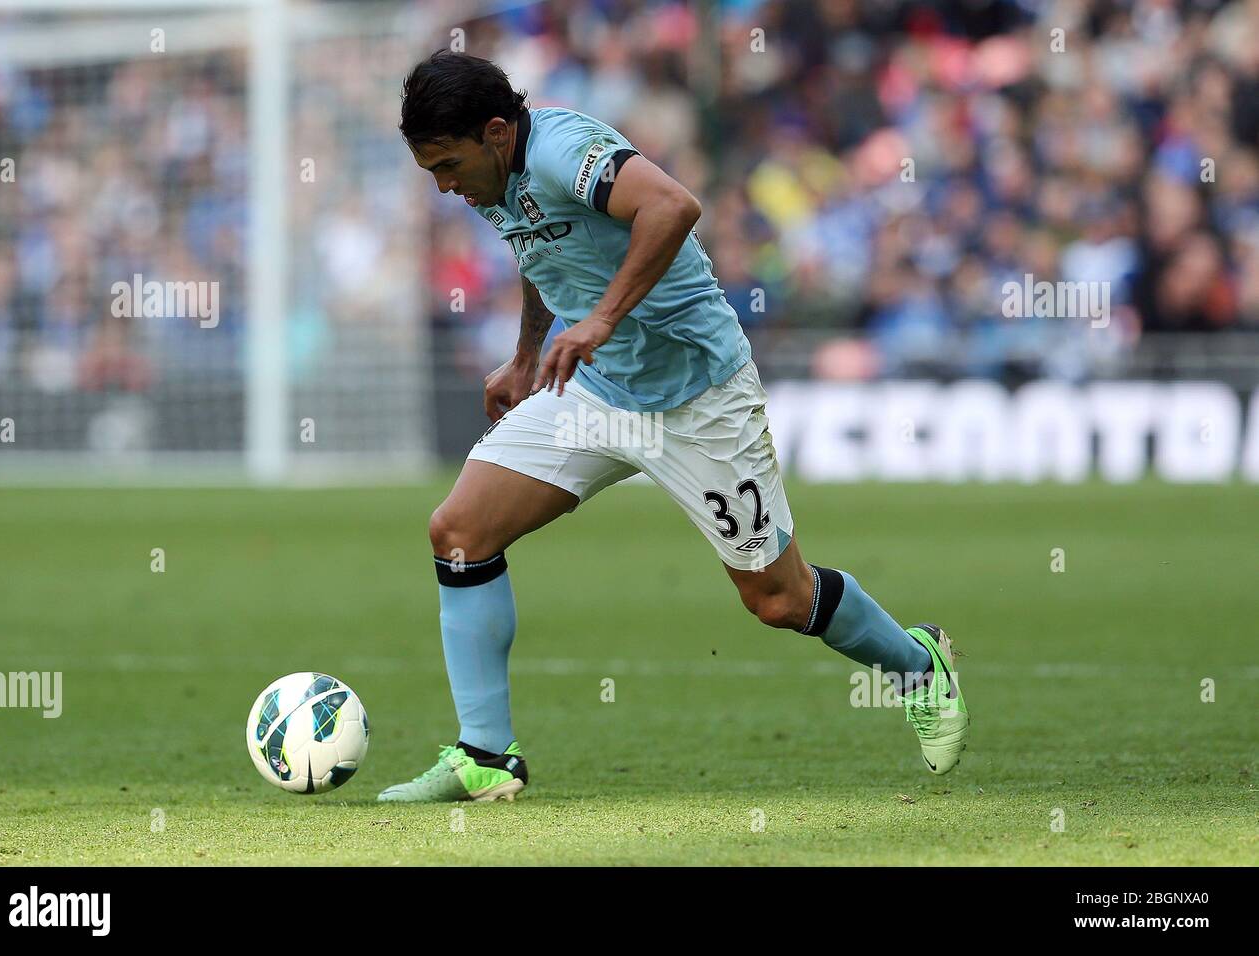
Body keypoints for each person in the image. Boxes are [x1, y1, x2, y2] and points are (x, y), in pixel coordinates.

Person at [377, 52, 967, 803]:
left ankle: (919, 668)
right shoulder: (494, 178)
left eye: (448, 165)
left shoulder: (562, 150)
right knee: (459, 531)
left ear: (496, 132)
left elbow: (674, 206)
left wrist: (599, 319)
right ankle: (486, 755)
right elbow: (540, 248)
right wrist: (526, 356)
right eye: (432, 171)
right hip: (593, 392)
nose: (445, 186)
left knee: (778, 600)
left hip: (699, 399)